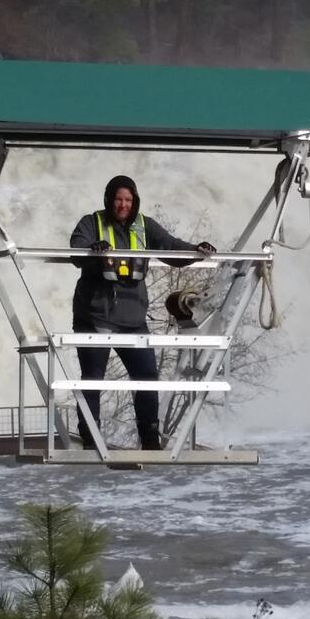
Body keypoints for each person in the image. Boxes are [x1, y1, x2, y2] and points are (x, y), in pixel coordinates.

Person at [69, 174, 216, 450]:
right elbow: (76, 248)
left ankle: (149, 438)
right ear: (109, 200)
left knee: (147, 378)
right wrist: (92, 249)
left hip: (132, 319)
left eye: (128, 200)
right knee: (92, 378)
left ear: (135, 201)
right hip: (95, 315)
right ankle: (90, 438)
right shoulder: (93, 222)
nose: (123, 205)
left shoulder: (144, 226)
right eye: (118, 199)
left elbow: (170, 246)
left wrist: (196, 250)